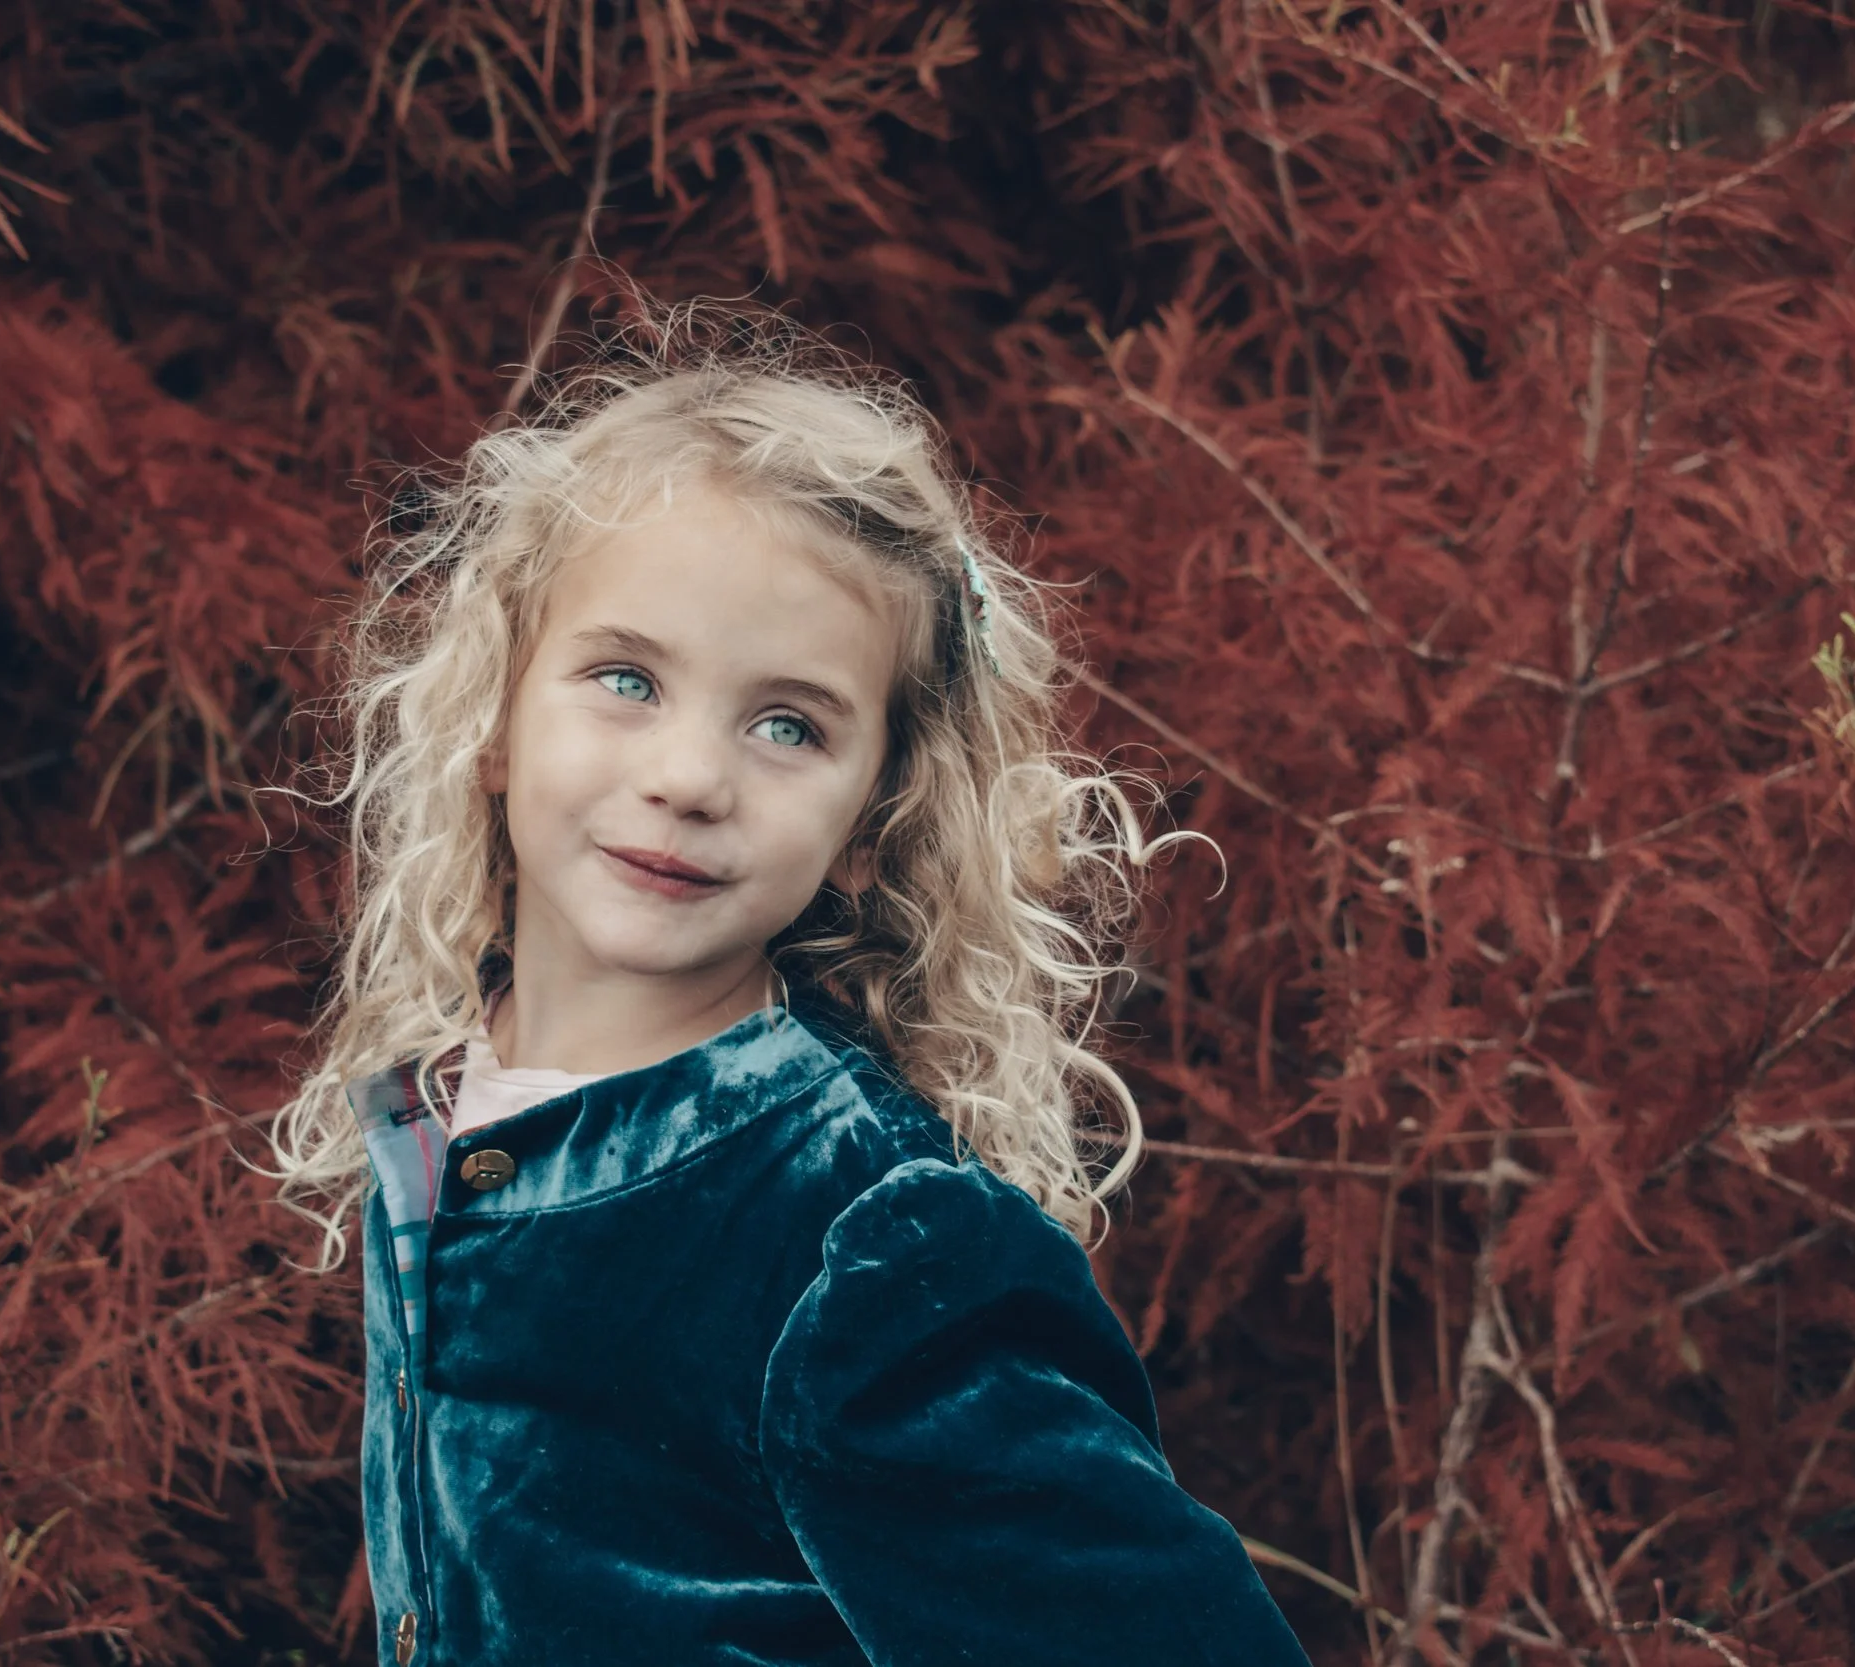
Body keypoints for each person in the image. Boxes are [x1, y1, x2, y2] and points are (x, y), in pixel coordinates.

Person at [268, 298, 1313, 1667]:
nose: (693, 778)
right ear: (494, 719)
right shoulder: (449, 1120)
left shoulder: (859, 1238)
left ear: (873, 820)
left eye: (787, 725)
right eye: (627, 678)